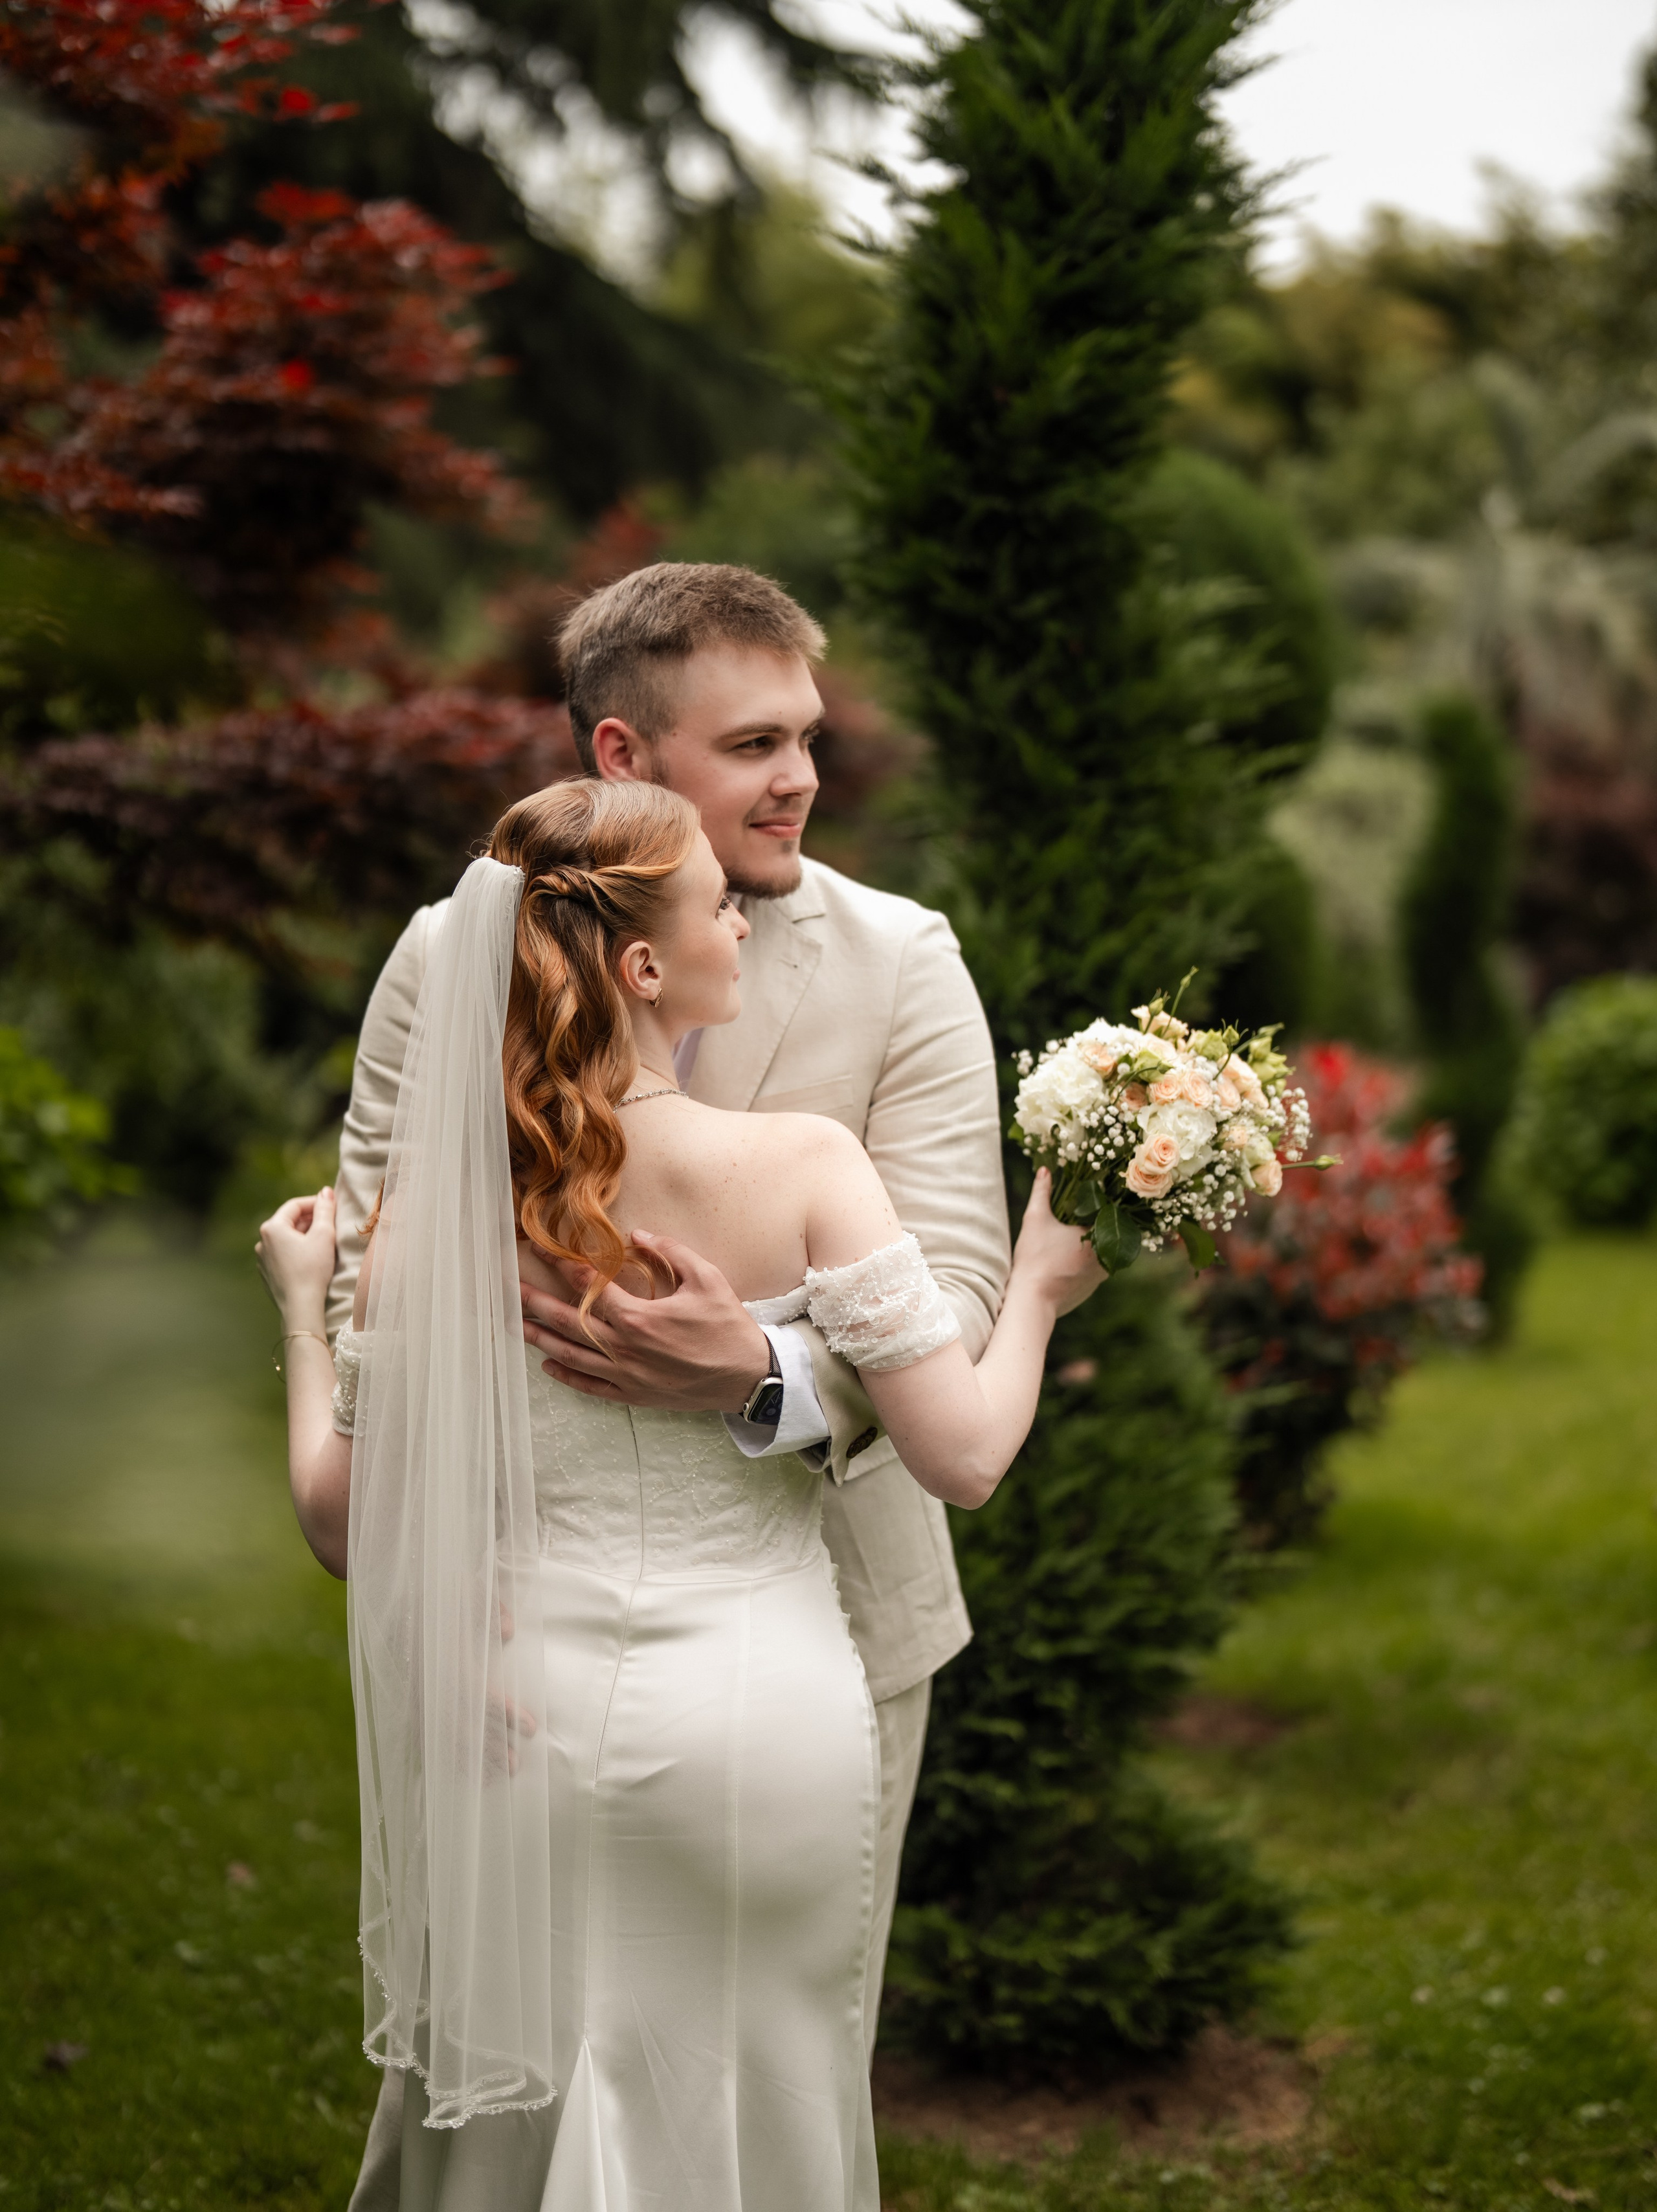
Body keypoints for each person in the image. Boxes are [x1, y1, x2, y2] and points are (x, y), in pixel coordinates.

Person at [257, 777, 1103, 2211]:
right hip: (752, 1720)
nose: (743, 913)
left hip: (513, 1722)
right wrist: (1036, 1288)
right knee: (749, 2086)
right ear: (643, 964)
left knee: (523, 2089)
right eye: (719, 896)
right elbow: (962, 1456)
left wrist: (296, 1312)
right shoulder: (799, 1167)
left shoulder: (435, 1212)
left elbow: (346, 1525)